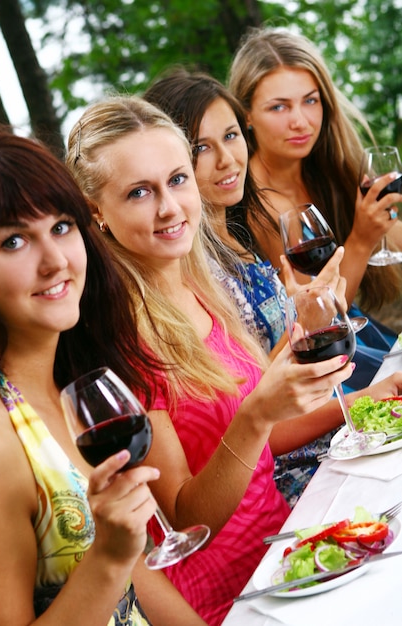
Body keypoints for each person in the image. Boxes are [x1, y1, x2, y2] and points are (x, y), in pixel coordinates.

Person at [65, 94, 402, 625]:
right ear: (96, 214)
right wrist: (258, 414)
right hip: (234, 595)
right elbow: (184, 518)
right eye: (138, 192)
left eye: (177, 180)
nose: (170, 207)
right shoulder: (117, 340)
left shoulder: (201, 287)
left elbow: (256, 441)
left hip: (287, 549)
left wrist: (361, 399)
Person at [0, 129, 208, 626]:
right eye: (14, 240)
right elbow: (114, 560)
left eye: (62, 227)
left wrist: (119, 549)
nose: (56, 261)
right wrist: (107, 555)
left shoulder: (77, 383)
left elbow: (136, 576)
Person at [143, 66, 347, 505]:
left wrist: (312, 313)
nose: (227, 159)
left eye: (232, 136)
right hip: (287, 475)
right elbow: (255, 416)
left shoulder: (236, 237)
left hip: (324, 437)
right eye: (201, 148)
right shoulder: (189, 271)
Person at [228, 26, 402, 385]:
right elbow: (318, 314)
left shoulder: (325, 164)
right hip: (330, 364)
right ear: (246, 115)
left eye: (310, 100)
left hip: (366, 336)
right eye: (279, 107)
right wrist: (362, 239)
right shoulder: (260, 204)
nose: (301, 121)